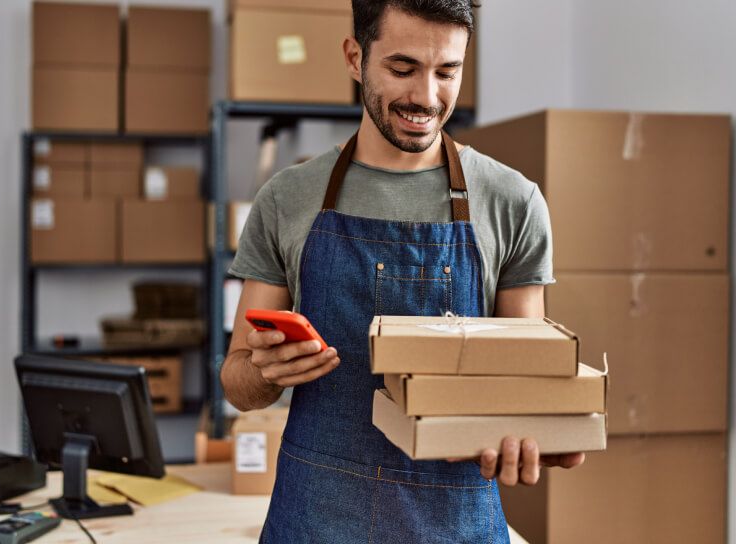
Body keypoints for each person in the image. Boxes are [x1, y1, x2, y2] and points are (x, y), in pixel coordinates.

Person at [221, 1, 585, 541]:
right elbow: (237, 381)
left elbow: (526, 380)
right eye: (402, 69)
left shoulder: (513, 202)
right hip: (317, 519)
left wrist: (540, 433)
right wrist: (265, 372)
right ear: (355, 57)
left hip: (453, 522)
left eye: (447, 71)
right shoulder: (287, 198)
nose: (427, 97)